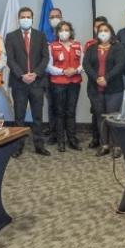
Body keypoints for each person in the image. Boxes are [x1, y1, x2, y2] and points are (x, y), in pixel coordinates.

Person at [6, 7, 50, 157]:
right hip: (19, 83)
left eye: (28, 16)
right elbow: (10, 60)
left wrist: (36, 73)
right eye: (23, 17)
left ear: (32, 18)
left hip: (37, 82)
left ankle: (39, 145)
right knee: (19, 117)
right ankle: (18, 147)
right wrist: (21, 75)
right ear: (18, 19)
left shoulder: (41, 35)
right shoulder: (11, 36)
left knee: (38, 117)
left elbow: (45, 58)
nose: (25, 19)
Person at [83, 22, 125, 157]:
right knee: (100, 117)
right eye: (100, 30)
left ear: (111, 32)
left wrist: (106, 78)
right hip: (95, 88)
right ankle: (104, 145)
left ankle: (117, 146)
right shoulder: (91, 48)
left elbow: (120, 65)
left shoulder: (118, 47)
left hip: (114, 88)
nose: (103, 32)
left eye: (106, 30)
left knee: (113, 117)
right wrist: (97, 78)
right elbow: (86, 64)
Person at [47, 21, 83, 152]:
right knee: (59, 112)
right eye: (61, 30)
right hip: (58, 83)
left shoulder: (78, 45)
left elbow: (83, 64)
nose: (64, 32)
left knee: (71, 111)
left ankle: (72, 140)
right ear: (57, 32)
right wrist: (63, 71)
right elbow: (48, 66)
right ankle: (61, 141)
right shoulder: (52, 46)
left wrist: (76, 70)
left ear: (71, 31)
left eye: (66, 29)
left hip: (74, 83)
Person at [85, 16, 108, 149]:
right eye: (97, 27)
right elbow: (86, 64)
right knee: (96, 112)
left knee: (109, 112)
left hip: (110, 85)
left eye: (103, 27)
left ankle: (108, 140)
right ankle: (96, 138)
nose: (100, 30)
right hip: (94, 85)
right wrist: (97, 78)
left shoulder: (113, 43)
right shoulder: (90, 44)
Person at [45, 7, 64, 144]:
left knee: (64, 106)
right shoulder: (43, 34)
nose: (54, 19)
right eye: (52, 17)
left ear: (61, 18)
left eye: (57, 16)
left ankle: (65, 133)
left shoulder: (66, 32)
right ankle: (53, 134)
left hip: (64, 76)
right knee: (52, 105)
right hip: (47, 75)